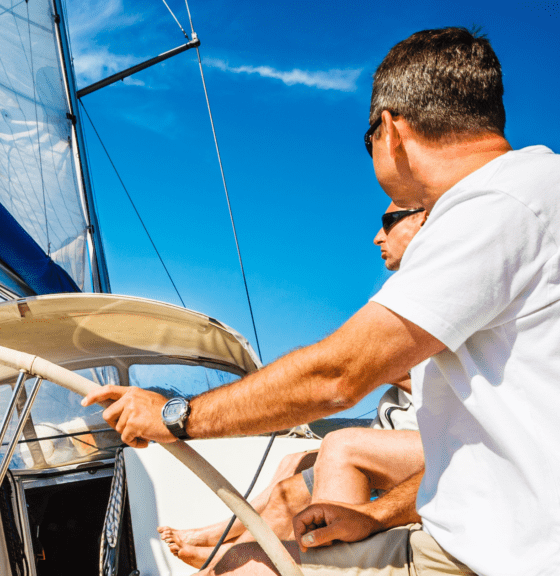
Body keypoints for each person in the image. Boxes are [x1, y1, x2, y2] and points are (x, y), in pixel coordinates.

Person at [83, 26, 560, 576]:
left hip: (509, 559)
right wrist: (377, 516)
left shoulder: (495, 206)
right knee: (246, 562)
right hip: (485, 541)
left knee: (241, 569)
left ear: (391, 130)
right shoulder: (534, 189)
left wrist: (174, 415)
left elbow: (337, 376)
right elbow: (480, 455)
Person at [158, 203, 425, 569]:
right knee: (292, 461)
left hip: (429, 443)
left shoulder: (433, 294)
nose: (378, 237)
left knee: (308, 475)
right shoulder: (413, 290)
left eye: (388, 222)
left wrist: (182, 417)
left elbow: (337, 377)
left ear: (424, 218)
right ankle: (225, 537)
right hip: (403, 440)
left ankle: (234, 558)